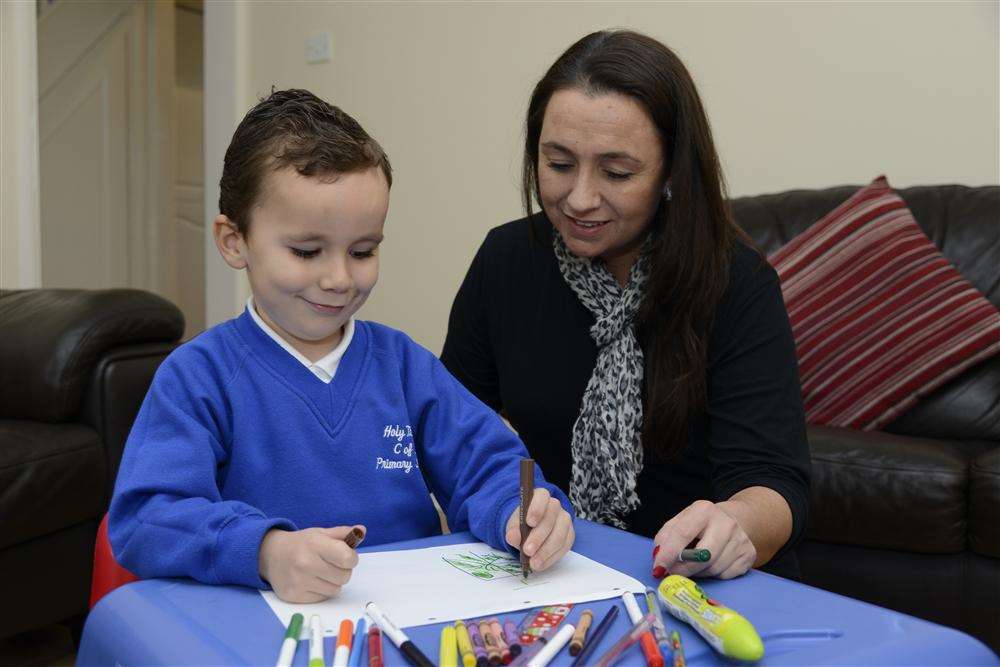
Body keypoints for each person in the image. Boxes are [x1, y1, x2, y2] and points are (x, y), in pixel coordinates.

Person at [109, 89, 575, 603]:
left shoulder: (402, 365)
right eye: (307, 251)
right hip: (264, 628)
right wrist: (265, 551)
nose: (338, 278)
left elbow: (485, 464)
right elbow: (148, 517)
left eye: (363, 250)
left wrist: (521, 511)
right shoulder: (199, 376)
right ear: (233, 241)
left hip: (408, 619)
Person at [441, 31, 810, 580]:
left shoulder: (735, 279)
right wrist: (502, 507)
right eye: (559, 163)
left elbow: (774, 483)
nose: (581, 197)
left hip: (681, 579)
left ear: (669, 174)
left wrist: (732, 522)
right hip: (545, 569)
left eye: (617, 173)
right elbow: (450, 429)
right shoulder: (506, 259)